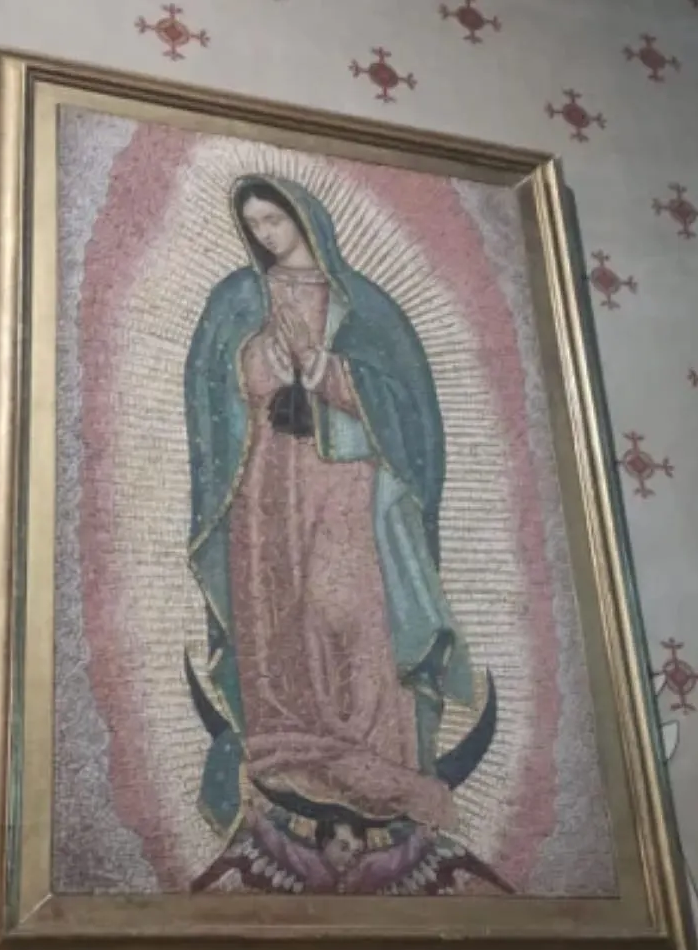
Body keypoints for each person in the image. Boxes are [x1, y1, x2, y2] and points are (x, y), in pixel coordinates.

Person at [183, 175, 506, 895]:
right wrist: (261, 362)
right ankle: (288, 743)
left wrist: (330, 373)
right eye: (255, 224)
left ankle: (374, 756)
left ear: (306, 217)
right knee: (279, 608)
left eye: (275, 219)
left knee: (347, 609)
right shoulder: (238, 299)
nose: (266, 234)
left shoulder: (367, 306)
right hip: (265, 485)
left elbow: (410, 412)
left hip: (349, 483)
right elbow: (209, 390)